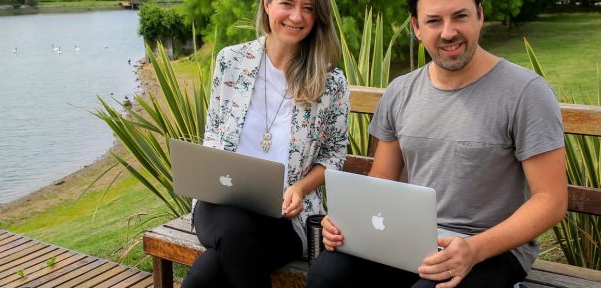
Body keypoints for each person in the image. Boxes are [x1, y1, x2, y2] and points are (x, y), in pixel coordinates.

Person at [306, 0, 568, 287]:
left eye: (460, 17)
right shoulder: (401, 91)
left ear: (479, 16)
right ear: (416, 27)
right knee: (325, 276)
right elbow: (381, 181)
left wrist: (474, 249)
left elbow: (551, 201)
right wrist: (348, 223)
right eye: (433, 21)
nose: (448, 32)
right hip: (411, 237)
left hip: (491, 248)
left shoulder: (526, 93)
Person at [183, 0, 349, 287]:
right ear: (267, 5)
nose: (297, 17)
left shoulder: (330, 82)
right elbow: (213, 132)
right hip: (219, 204)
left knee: (206, 277)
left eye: (308, 7)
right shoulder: (231, 61)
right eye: (287, 3)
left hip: (284, 218)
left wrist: (299, 188)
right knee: (234, 232)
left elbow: (334, 153)